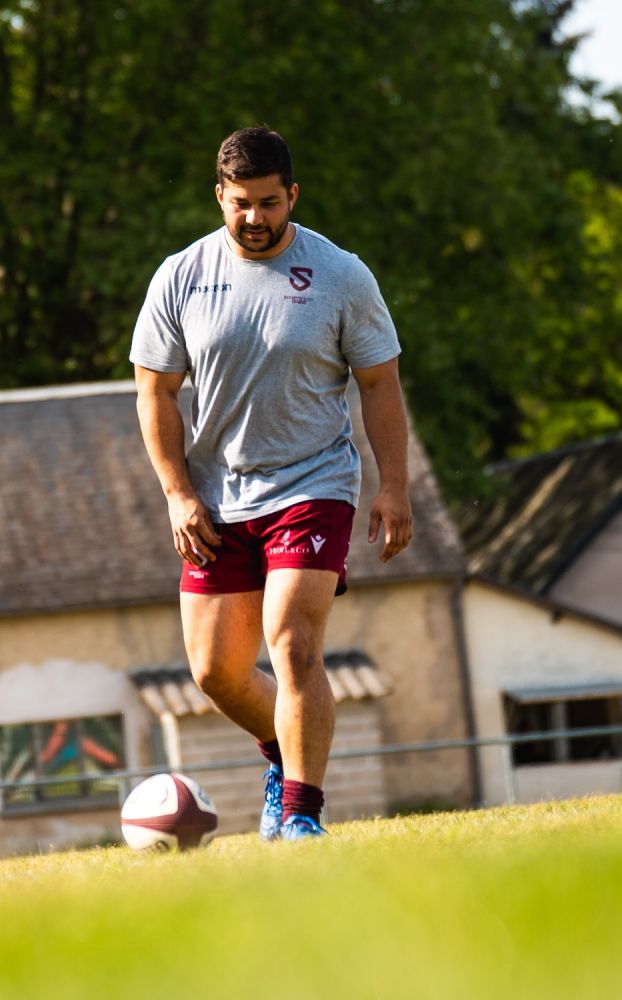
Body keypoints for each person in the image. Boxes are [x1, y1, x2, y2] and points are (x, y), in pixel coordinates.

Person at [130, 126, 412, 841]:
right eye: (241, 203)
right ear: (218, 196)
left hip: (313, 484)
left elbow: (379, 384)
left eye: (269, 202)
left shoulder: (342, 275)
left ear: (293, 196)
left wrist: (394, 486)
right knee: (215, 673)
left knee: (291, 643)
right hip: (216, 498)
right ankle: (281, 753)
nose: (255, 218)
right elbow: (155, 393)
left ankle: (300, 816)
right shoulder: (180, 276)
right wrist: (178, 494)